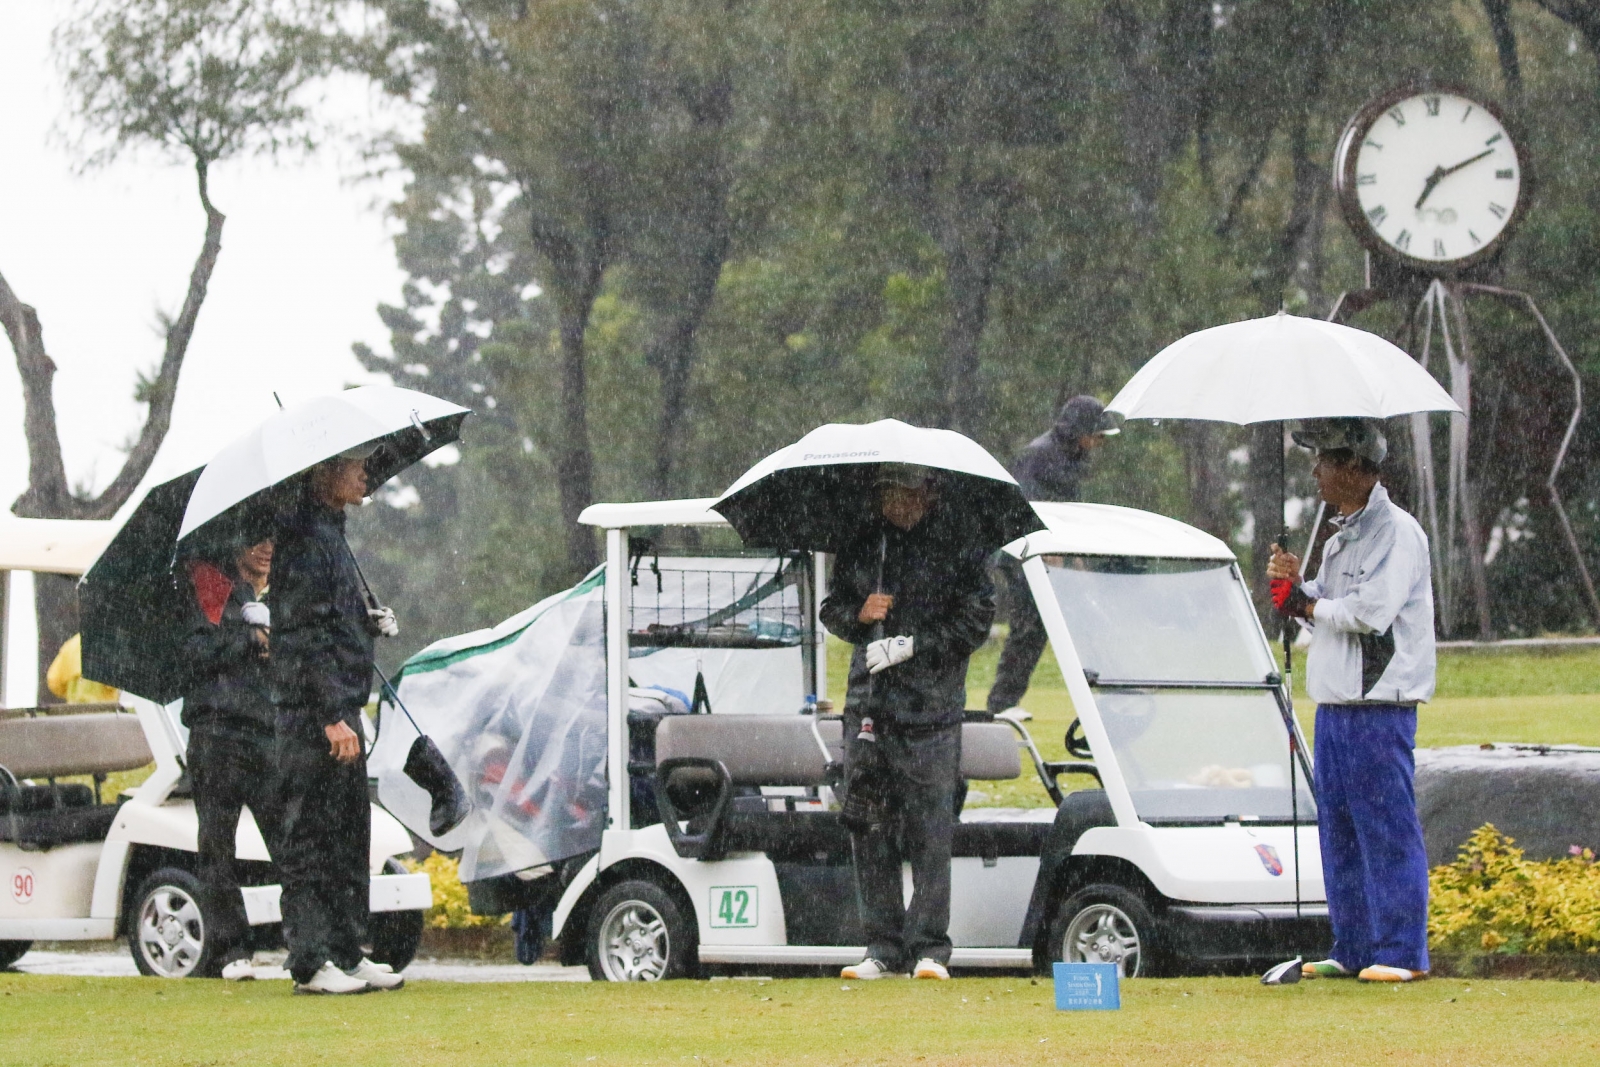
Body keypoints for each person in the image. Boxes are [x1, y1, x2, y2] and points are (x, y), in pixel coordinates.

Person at [1265, 418, 1435, 984]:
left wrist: (1308, 607)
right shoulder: (1340, 538)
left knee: (1385, 827)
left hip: (1379, 705)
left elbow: (1368, 613)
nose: (1316, 472)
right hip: (1336, 704)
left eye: (1326, 461)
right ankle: (1355, 946)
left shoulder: (1398, 533)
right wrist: (1296, 589)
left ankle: (1403, 952)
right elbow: (1329, 601)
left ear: (1358, 467)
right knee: (1339, 830)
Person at [820, 464, 995, 981]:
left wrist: (914, 645)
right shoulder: (863, 541)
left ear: (927, 493)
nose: (895, 506)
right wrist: (861, 614)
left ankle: (929, 950)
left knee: (929, 829)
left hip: (932, 710)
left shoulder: (960, 544)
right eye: (886, 497)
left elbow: (975, 621)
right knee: (868, 824)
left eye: (904, 495)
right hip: (869, 706)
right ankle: (881, 946)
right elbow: (834, 610)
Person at [269, 446, 403, 995]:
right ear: (325, 474)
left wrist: (367, 622)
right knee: (311, 838)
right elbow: (301, 635)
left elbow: (330, 620)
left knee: (348, 836)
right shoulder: (303, 539)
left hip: (342, 709)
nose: (364, 473)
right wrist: (328, 715)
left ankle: (347, 953)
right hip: (313, 719)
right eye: (355, 466)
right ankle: (311, 961)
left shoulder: (330, 533)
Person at [180, 532, 279, 980]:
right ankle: (230, 951)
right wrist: (247, 634)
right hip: (216, 733)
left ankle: (308, 944)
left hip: (267, 732)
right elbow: (195, 653)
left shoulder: (283, 595)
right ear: (235, 544)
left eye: (273, 541)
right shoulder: (209, 587)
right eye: (256, 540)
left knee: (288, 841)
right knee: (218, 847)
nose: (266, 549)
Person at [987, 395, 1118, 715]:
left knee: (1082, 623)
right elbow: (1023, 507)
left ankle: (1107, 696)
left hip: (1055, 553)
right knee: (1029, 627)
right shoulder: (1038, 455)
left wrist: (1076, 557)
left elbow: (1068, 512)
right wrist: (1046, 549)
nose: (1099, 441)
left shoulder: (1075, 458)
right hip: (1024, 553)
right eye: (1097, 434)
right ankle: (1002, 704)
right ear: (1080, 430)